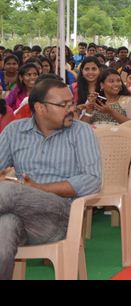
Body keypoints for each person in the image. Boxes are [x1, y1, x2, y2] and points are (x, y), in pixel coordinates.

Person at [0, 78, 102, 280]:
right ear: (40, 108)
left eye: (71, 103)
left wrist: (40, 188)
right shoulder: (14, 131)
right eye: (63, 105)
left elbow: (92, 180)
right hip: (19, 216)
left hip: (59, 217)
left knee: (7, 191)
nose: (71, 109)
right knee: (5, 227)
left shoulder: (81, 132)